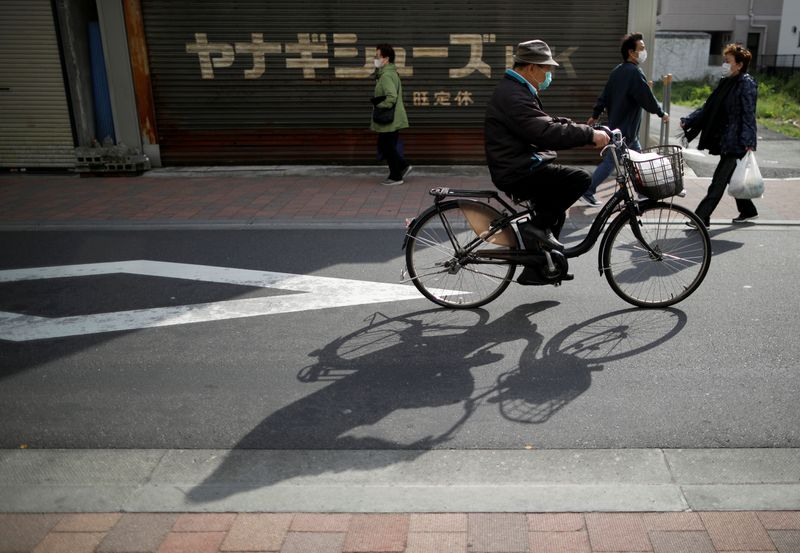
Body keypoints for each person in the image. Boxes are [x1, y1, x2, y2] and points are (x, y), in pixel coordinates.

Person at [484, 39, 609, 256]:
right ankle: (534, 229)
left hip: (518, 164)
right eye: (547, 69)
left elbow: (540, 123)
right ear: (532, 67)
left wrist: (575, 127)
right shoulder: (514, 94)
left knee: (554, 211)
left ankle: (541, 264)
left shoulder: (516, 90)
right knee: (580, 179)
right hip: (517, 170)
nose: (549, 75)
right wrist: (588, 135)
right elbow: (542, 132)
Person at [583, 32, 670, 206]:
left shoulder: (617, 71)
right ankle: (588, 189)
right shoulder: (634, 73)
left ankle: (642, 192)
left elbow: (604, 95)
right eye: (642, 49)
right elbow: (647, 97)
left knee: (636, 161)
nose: (644, 52)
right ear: (631, 52)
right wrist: (661, 113)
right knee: (612, 162)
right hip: (626, 130)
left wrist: (595, 114)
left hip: (620, 128)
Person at [680, 44, 758, 228]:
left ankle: (701, 217)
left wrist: (748, 142)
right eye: (724, 60)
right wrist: (689, 120)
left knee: (719, 181)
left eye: (727, 61)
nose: (724, 64)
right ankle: (748, 210)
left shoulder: (746, 83)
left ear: (739, 65)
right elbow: (709, 107)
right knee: (731, 177)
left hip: (738, 142)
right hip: (727, 139)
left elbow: (748, 114)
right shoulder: (727, 82)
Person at [371, 43, 412, 186]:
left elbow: (391, 97)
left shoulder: (386, 76)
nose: (375, 59)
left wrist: (378, 105)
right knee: (386, 145)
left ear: (386, 58)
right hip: (393, 117)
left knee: (386, 146)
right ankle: (402, 166)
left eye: (377, 56)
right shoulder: (389, 73)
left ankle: (396, 176)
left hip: (389, 118)